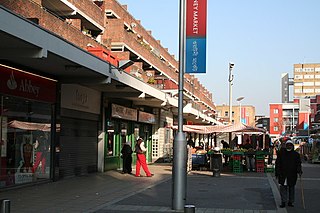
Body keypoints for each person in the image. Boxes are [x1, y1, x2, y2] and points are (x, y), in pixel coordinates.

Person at [275, 140, 302, 208]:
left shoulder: (296, 155)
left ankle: (291, 201)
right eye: (288, 145)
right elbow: (277, 163)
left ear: (292, 146)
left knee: (291, 188)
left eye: (290, 145)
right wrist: (277, 172)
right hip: (283, 174)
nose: (289, 146)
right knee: (283, 188)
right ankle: (283, 201)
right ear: (286, 146)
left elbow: (298, 164)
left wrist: (299, 170)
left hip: (292, 174)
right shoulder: (281, 154)